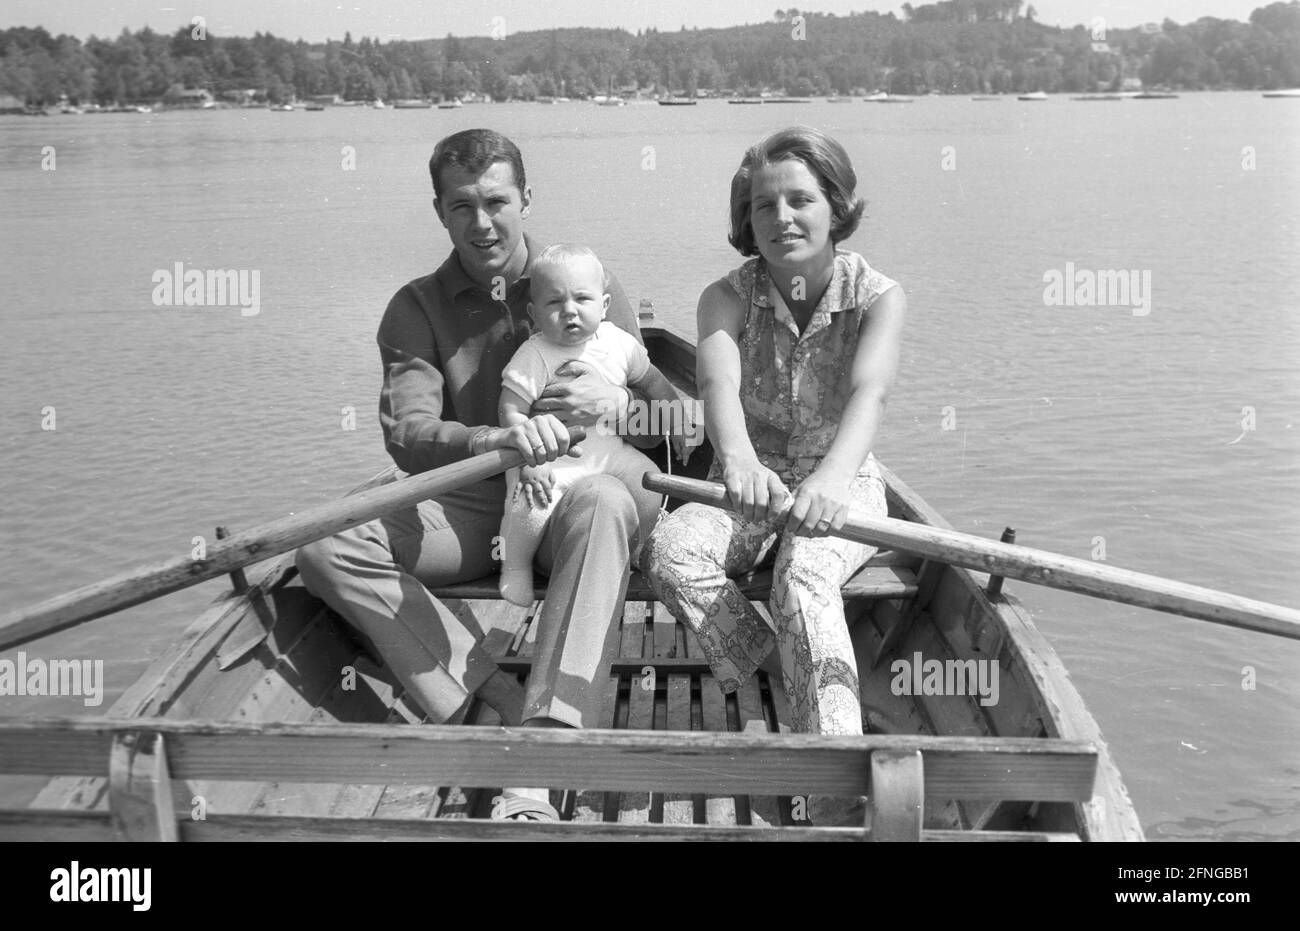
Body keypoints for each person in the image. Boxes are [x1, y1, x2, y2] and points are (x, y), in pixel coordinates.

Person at [295, 129, 662, 822]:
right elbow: (408, 433)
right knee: (324, 545)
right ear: (439, 211)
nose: (482, 222)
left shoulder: (586, 281)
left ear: (526, 199)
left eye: (496, 201)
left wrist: (619, 403)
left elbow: (662, 426)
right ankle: (493, 695)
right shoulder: (415, 307)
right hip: (469, 508)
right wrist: (495, 437)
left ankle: (543, 756)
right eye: (462, 205)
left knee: (607, 500)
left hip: (577, 498)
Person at [641, 127, 906, 747]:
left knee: (803, 576)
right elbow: (717, 382)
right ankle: (785, 684)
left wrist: (831, 480)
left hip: (841, 483)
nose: (782, 217)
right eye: (765, 205)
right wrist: (738, 463)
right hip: (749, 486)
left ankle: (834, 765)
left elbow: (870, 393)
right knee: (671, 552)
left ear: (836, 207)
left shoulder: (878, 297)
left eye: (800, 200)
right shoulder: (725, 297)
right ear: (748, 220)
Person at [497, 243, 690, 606]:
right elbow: (511, 409)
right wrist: (528, 457)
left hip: (609, 456)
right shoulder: (535, 354)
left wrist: (677, 421)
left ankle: (637, 547)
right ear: (534, 313)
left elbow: (654, 382)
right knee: (530, 505)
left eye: (582, 299)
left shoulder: (620, 344)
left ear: (604, 305)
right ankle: (516, 566)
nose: (569, 310)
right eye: (554, 302)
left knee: (648, 483)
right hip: (552, 461)